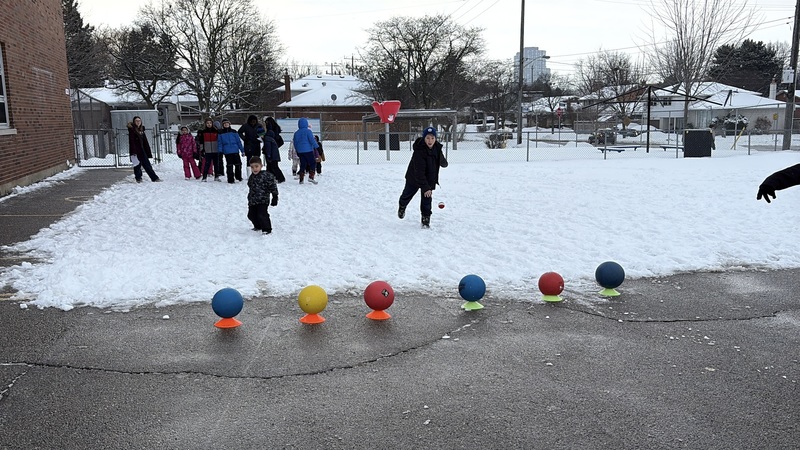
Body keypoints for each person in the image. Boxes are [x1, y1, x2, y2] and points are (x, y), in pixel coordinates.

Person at [398, 126, 448, 228]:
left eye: (432, 138)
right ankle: (402, 206)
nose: (430, 141)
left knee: (427, 199)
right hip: (414, 178)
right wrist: (425, 188)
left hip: (429, 178)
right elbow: (419, 172)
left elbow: (443, 163)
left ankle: (425, 218)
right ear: (424, 138)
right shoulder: (419, 151)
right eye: (428, 138)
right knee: (407, 195)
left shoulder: (437, 148)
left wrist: (442, 160)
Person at [247, 156, 279, 235]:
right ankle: (258, 226)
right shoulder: (251, 177)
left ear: (261, 166)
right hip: (253, 200)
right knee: (251, 215)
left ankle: (267, 229)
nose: (254, 169)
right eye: (252, 167)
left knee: (262, 214)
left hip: (263, 200)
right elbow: (250, 186)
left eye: (256, 166)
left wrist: (275, 196)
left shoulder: (266, 175)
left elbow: (273, 186)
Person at [127, 116, 161, 183]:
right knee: (137, 165)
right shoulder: (132, 130)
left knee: (147, 164)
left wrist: (147, 150)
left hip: (142, 150)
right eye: (136, 121)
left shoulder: (141, 130)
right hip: (136, 151)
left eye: (139, 121)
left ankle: (154, 178)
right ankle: (138, 178)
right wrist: (133, 152)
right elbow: (132, 141)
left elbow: (145, 141)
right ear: (134, 122)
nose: (138, 122)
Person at [292, 118, 319, 184]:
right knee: (312, 163)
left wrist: (298, 150)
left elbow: (295, 143)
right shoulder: (308, 131)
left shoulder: (296, 133)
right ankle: (311, 177)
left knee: (303, 164)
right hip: (308, 150)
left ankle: (301, 179)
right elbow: (312, 140)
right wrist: (317, 146)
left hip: (300, 152)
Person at [218, 118, 244, 183]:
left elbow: (238, 142)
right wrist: (220, 151)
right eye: (224, 123)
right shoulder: (220, 133)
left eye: (227, 123)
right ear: (223, 125)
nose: (226, 124)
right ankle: (230, 179)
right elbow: (220, 143)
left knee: (238, 164)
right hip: (227, 151)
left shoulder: (234, 132)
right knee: (229, 165)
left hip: (235, 150)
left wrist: (242, 150)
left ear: (229, 124)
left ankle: (238, 176)